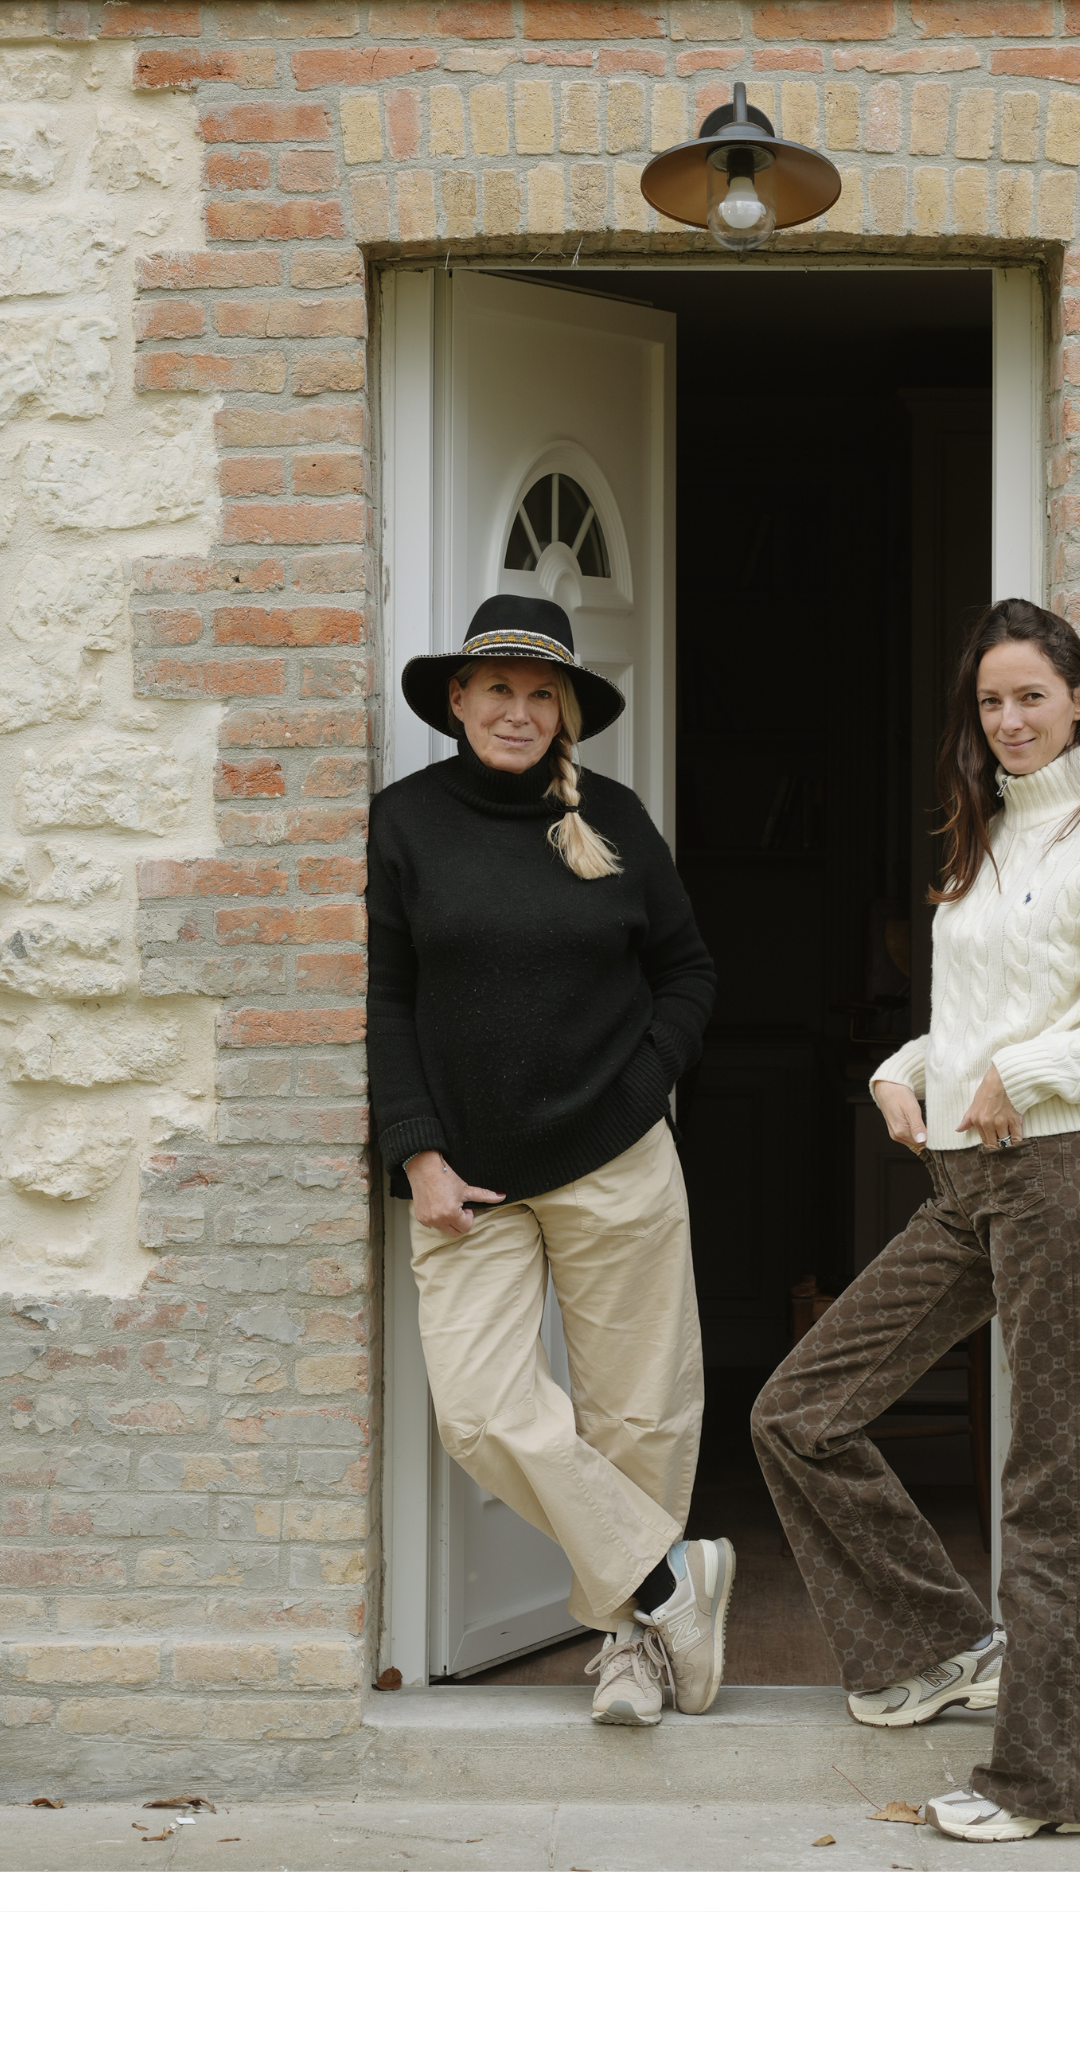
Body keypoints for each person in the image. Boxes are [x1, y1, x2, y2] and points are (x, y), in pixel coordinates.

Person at [752, 598, 1080, 1840]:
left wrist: (1027, 1074)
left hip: (1054, 1176)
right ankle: (942, 1646)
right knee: (796, 1413)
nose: (1008, 721)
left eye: (1031, 699)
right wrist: (910, 1064)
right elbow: (984, 1021)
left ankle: (1055, 1785)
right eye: (991, 702)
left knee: (1051, 1485)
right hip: (964, 1182)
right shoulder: (988, 843)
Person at [368, 594, 733, 1725]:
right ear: (458, 702)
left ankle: (630, 1646)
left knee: (639, 1416)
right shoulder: (405, 822)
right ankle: (675, 1580)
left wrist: (641, 1086)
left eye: (541, 694)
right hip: (466, 1182)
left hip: (614, 1161)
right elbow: (386, 1002)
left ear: (565, 712)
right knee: (479, 1413)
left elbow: (689, 971)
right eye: (497, 691)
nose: (517, 712)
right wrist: (418, 1152)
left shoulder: (612, 816)